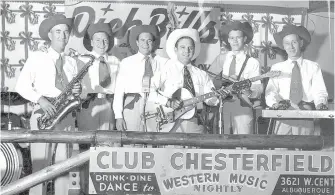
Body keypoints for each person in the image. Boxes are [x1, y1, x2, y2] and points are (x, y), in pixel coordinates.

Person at [15, 14, 81, 195]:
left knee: (64, 166)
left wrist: (77, 90)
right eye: (58, 31)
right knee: (40, 166)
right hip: (44, 112)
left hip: (65, 114)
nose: (62, 35)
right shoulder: (37, 57)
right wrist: (40, 99)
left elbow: (77, 93)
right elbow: (21, 86)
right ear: (50, 35)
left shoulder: (72, 62)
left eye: (66, 32)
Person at [265, 24, 328, 135]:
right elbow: (271, 92)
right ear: (283, 47)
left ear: (301, 43)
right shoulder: (277, 68)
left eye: (294, 42)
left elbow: (319, 91)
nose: (291, 46)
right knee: (280, 149)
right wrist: (275, 103)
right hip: (283, 114)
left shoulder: (313, 67)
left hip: (305, 114)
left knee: (305, 149)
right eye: (287, 43)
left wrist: (320, 104)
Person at [157, 28, 221, 133]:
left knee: (196, 149)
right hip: (170, 123)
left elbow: (211, 100)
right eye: (182, 47)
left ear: (194, 50)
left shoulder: (201, 74)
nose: (186, 51)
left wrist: (218, 96)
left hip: (195, 123)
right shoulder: (164, 70)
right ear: (175, 49)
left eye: (190, 48)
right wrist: (168, 102)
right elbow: (151, 93)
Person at [113, 25, 169, 132]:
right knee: (131, 141)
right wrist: (118, 116)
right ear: (137, 42)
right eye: (142, 40)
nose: (146, 44)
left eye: (149, 40)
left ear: (153, 43)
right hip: (132, 105)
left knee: (152, 140)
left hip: (154, 105)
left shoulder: (161, 62)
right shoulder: (126, 62)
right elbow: (119, 91)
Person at [216, 21, 263, 134]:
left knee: (244, 143)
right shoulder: (221, 59)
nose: (235, 41)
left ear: (245, 39)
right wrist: (222, 83)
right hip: (225, 106)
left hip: (243, 106)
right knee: (224, 142)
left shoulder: (253, 62)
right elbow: (210, 81)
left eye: (238, 37)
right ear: (228, 40)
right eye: (232, 38)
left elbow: (258, 90)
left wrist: (247, 89)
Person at [77, 22, 119, 132]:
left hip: (109, 105)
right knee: (87, 141)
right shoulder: (82, 60)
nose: (102, 43)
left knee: (107, 140)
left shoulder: (115, 61)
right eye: (98, 40)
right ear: (91, 42)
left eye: (105, 40)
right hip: (88, 105)